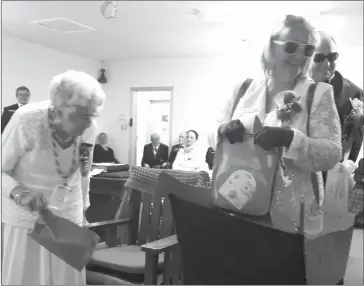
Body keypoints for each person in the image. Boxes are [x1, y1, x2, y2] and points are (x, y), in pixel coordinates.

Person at [209, 15, 344, 284]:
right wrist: (222, 131)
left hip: (291, 218)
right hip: (237, 205)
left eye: (307, 50)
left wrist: (290, 139)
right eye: (291, 47)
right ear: (271, 46)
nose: (300, 57)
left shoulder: (318, 93)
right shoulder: (243, 89)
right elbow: (213, 137)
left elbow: (332, 152)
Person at [2, 70, 105, 285]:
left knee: (65, 278)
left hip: (67, 217)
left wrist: (83, 210)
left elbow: (83, 172)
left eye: (91, 116)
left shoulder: (88, 127)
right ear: (58, 109)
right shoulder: (26, 120)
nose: (87, 123)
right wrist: (20, 193)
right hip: (27, 216)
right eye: (81, 115)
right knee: (27, 276)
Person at [310, 31, 364, 228]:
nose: (327, 64)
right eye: (319, 57)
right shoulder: (294, 89)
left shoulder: (355, 94)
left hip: (334, 177)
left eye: (332, 57)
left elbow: (356, 137)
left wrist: (348, 167)